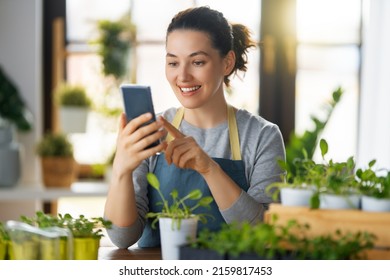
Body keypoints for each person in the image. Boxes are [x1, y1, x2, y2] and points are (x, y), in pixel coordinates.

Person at [104, 6, 286, 249]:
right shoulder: (153, 131)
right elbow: (122, 238)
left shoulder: (262, 136)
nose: (183, 76)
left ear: (227, 62)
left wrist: (209, 168)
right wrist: (121, 171)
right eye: (173, 63)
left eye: (197, 62)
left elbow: (264, 235)